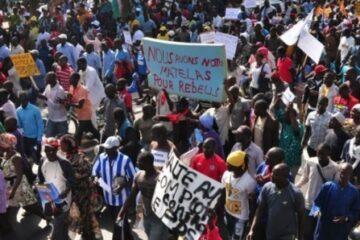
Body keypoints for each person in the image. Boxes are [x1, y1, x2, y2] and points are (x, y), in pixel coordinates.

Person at [92, 136, 136, 240]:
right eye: (106, 147)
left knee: (118, 222)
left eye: (109, 148)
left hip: (122, 199)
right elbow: (95, 172)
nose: (106, 149)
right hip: (108, 198)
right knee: (120, 222)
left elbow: (132, 177)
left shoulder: (125, 160)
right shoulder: (101, 157)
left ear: (116, 148)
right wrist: (96, 179)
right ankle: (129, 237)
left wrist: (122, 184)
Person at [118, 151, 169, 240]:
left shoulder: (161, 178)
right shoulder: (138, 176)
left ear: (148, 163)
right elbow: (132, 196)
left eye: (140, 161)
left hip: (159, 219)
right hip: (146, 216)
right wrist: (121, 212)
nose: (137, 163)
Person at [59, 135, 102, 240]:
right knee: (79, 216)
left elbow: (87, 172)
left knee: (86, 215)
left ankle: (89, 235)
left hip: (83, 192)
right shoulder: (65, 156)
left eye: (62, 144)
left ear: (69, 145)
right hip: (74, 192)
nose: (60, 146)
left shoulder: (80, 157)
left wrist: (70, 176)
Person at [248, 163, 305, 240]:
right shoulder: (267, 187)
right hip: (270, 234)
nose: (271, 175)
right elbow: (260, 209)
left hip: (287, 235)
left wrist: (300, 236)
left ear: (284, 177)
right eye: (272, 172)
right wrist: (252, 230)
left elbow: (301, 215)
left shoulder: (296, 193)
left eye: (275, 174)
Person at [296, 143, 339, 240]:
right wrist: (295, 187)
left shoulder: (335, 168)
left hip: (323, 206)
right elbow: (304, 178)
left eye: (323, 154)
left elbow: (335, 187)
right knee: (307, 231)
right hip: (310, 203)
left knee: (319, 232)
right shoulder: (311, 162)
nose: (319, 156)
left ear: (329, 154)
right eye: (318, 153)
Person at [38, 138, 75, 240]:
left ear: (56, 150)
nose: (48, 153)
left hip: (62, 199)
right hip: (48, 196)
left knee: (58, 224)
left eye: (51, 151)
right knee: (59, 222)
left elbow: (72, 181)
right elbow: (40, 179)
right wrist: (46, 199)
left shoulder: (65, 163)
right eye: (46, 150)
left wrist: (66, 191)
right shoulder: (42, 160)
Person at [314, 162, 360, 240]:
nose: (344, 175)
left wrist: (346, 218)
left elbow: (356, 212)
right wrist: (317, 211)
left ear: (351, 174)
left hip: (340, 232)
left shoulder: (354, 192)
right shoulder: (327, 186)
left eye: (347, 173)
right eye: (342, 172)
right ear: (338, 172)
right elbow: (316, 204)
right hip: (323, 229)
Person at [0, 133, 42, 216]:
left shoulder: (16, 158)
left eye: (0, 144)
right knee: (19, 203)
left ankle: (44, 217)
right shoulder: (5, 154)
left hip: (19, 185)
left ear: (6, 145)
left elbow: (19, 176)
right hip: (10, 184)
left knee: (30, 204)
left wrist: (13, 191)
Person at [222, 151, 257, 240]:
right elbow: (223, 191)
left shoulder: (249, 181)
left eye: (230, 164)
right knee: (229, 236)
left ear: (239, 166)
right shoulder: (226, 175)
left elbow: (252, 202)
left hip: (241, 217)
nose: (227, 165)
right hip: (227, 212)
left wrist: (251, 221)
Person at [68, 72, 100, 144]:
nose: (69, 80)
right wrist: (65, 100)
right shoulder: (72, 87)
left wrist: (70, 103)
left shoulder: (83, 90)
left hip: (85, 112)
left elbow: (80, 105)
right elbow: (69, 96)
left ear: (77, 80)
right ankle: (101, 138)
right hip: (80, 113)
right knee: (91, 128)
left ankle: (76, 145)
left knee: (79, 131)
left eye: (71, 79)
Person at [274, 102, 303, 177]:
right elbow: (276, 108)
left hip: (293, 161)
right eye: (285, 113)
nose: (284, 115)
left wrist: (290, 112)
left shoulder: (300, 126)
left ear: (293, 115)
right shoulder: (284, 122)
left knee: (290, 179)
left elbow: (296, 131)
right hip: (282, 158)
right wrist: (278, 99)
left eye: (288, 113)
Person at [37, 72, 68, 137]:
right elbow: (44, 97)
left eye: (47, 77)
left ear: (53, 79)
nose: (45, 79)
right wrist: (40, 96)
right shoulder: (48, 86)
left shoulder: (60, 90)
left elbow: (57, 107)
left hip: (61, 120)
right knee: (48, 138)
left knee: (64, 140)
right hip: (51, 118)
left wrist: (45, 98)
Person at [16, 91, 44, 164]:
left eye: (24, 99)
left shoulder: (35, 110)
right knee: (28, 159)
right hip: (25, 139)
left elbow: (40, 125)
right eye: (21, 99)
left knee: (37, 159)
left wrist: (39, 139)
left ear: (27, 99)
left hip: (35, 138)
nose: (23, 101)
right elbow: (20, 126)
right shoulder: (18, 111)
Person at [77, 57, 106, 126]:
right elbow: (79, 84)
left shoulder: (91, 71)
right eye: (78, 64)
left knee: (90, 110)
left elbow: (88, 87)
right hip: (90, 95)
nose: (78, 66)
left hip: (97, 94)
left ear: (85, 63)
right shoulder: (81, 72)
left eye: (79, 64)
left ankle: (94, 129)